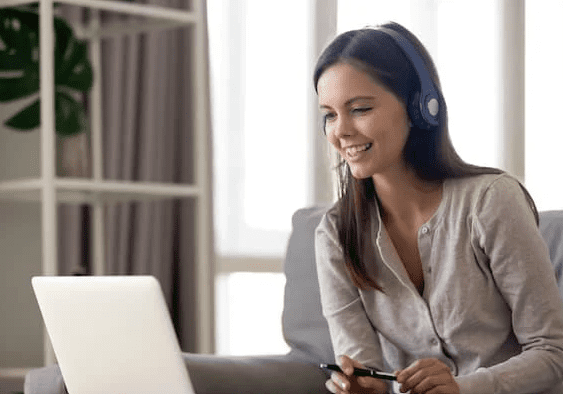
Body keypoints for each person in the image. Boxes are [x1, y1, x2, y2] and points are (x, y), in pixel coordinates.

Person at [313, 21, 563, 394]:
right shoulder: (334, 234)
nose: (341, 131)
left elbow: (553, 352)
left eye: (360, 109)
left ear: (421, 107)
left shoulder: (491, 202)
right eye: (330, 115)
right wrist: (362, 385)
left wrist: (465, 388)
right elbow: (364, 368)